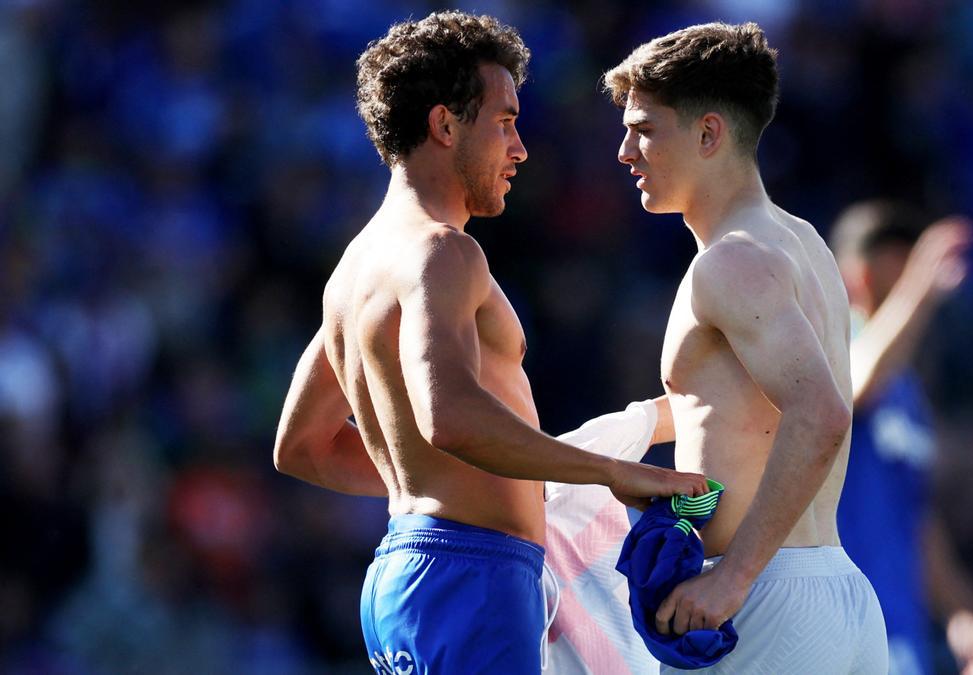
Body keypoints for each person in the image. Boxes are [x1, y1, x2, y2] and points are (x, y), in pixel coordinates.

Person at [270, 12, 709, 674]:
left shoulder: (353, 269)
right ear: (445, 126)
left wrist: (432, 482)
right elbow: (448, 416)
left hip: (409, 571)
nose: (520, 147)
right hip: (471, 575)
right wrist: (610, 470)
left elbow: (301, 446)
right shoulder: (444, 252)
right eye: (504, 121)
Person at [602, 22, 887, 673]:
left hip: (765, 598)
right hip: (831, 589)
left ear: (708, 134)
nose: (624, 151)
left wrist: (733, 578)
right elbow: (742, 405)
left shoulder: (730, 262)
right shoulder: (804, 243)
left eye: (644, 129)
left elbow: (820, 411)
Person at [831, 201, 973, 675]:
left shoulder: (908, 391)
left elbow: (916, 518)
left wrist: (962, 614)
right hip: (836, 625)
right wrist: (920, 292)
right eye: (900, 266)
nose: (915, 278)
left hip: (900, 630)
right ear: (857, 274)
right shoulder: (823, 347)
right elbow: (854, 388)